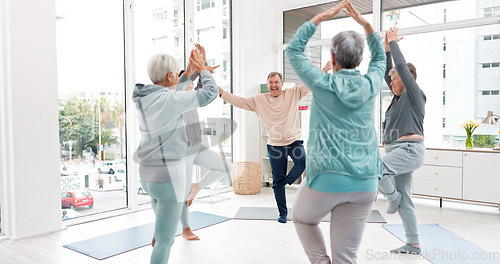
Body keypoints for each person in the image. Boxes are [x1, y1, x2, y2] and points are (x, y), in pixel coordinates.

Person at [285, 0, 385, 263]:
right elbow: (380, 59)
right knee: (346, 257)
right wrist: (366, 26)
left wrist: (318, 19)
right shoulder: (372, 83)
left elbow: (294, 51)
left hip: (327, 179)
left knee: (302, 220)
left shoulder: (321, 82)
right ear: (360, 59)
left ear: (332, 58)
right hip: (365, 183)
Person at [132, 48, 218, 264]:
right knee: (165, 241)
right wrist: (202, 70)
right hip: (169, 176)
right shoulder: (170, 101)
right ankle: (162, 232)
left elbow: (172, 95)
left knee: (162, 227)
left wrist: (189, 73)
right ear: (170, 75)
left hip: (147, 175)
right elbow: (209, 93)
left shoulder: (145, 98)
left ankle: (161, 227)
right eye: (176, 74)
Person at [218, 63, 328, 223]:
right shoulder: (259, 100)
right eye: (271, 83)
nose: (274, 85)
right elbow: (239, 101)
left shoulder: (293, 93)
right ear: (268, 85)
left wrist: (324, 69)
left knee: (302, 162)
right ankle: (282, 213)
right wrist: (223, 94)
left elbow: (311, 81)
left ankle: (285, 181)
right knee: (277, 180)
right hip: (275, 145)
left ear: (282, 84)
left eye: (276, 82)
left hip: (293, 142)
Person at [151, 44, 232, 245]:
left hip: (197, 147)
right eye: (183, 83)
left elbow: (200, 85)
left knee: (226, 166)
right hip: (183, 153)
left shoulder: (190, 97)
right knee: (181, 196)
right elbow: (186, 82)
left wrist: (201, 65)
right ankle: (179, 229)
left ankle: (197, 187)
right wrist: (197, 68)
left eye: (189, 84)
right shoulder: (174, 99)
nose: (188, 86)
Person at [378, 26, 426, 254]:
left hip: (409, 149)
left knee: (377, 169)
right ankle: (413, 242)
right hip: (397, 151)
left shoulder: (414, 94)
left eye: (395, 78)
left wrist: (394, 44)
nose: (391, 81)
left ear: (408, 79)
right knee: (407, 199)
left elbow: (399, 69)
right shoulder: (396, 99)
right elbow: (392, 70)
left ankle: (392, 197)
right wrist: (386, 51)